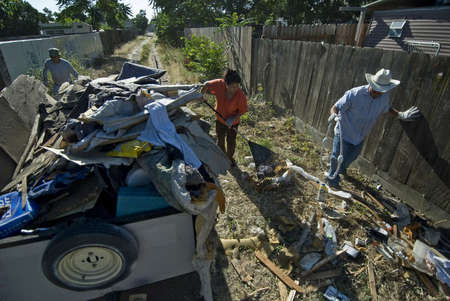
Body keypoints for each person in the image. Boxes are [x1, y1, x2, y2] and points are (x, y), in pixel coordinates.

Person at [326, 68, 421, 188]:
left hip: (359, 136)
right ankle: (332, 179)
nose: (377, 93)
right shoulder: (355, 94)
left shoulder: (383, 98)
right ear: (371, 84)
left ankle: (341, 169)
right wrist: (333, 115)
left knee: (352, 157)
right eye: (376, 90)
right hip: (344, 131)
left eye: (381, 91)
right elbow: (336, 107)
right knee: (336, 157)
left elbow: (387, 109)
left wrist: (400, 114)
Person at [201, 69, 248, 166]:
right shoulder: (219, 84)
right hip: (219, 119)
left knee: (231, 141)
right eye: (233, 86)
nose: (235, 89)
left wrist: (233, 118)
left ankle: (229, 158)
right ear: (226, 84)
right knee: (220, 139)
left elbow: (242, 111)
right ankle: (222, 156)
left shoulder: (240, 95)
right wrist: (201, 95)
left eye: (237, 86)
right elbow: (206, 84)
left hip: (233, 124)